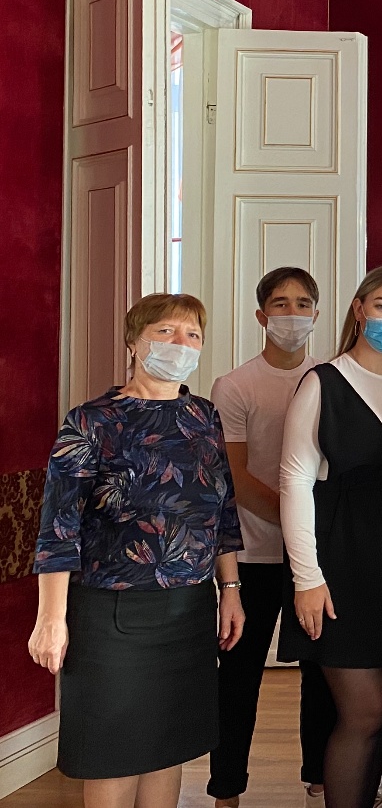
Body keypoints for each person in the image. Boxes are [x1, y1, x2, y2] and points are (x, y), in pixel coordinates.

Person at [28, 293, 244, 808]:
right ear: (133, 342)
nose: (181, 344)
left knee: (168, 743)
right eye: (166, 332)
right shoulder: (92, 422)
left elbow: (222, 511)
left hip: (189, 609)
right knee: (114, 750)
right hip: (112, 614)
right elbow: (58, 527)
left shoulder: (203, 416)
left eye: (192, 334)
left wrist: (231, 588)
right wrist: (50, 618)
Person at [278, 265, 382, 808]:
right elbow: (294, 482)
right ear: (359, 309)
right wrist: (306, 577)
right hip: (340, 561)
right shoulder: (322, 381)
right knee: (363, 712)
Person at [207, 268, 333, 808]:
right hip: (253, 553)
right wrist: (296, 520)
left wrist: (308, 538)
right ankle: (226, 789)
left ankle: (318, 780)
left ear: (316, 314)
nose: (292, 313)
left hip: (314, 559)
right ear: (262, 315)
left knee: (320, 676)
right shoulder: (234, 386)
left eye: (303, 303)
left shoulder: (330, 379)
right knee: (239, 677)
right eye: (280, 304)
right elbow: (235, 478)